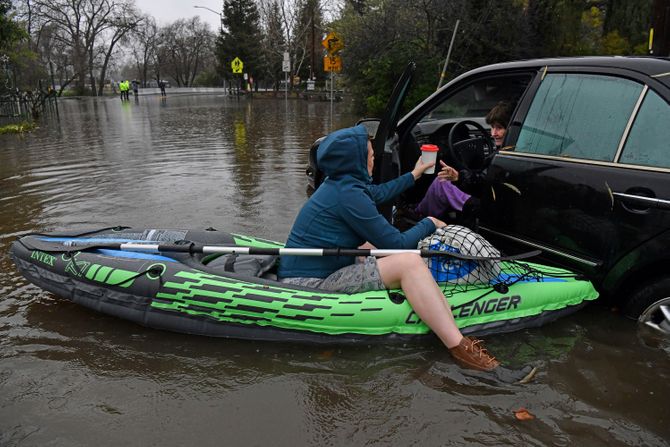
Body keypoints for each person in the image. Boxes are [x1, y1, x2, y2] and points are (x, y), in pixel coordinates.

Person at [278, 124, 500, 372]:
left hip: (321, 266)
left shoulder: (341, 183)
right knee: (409, 262)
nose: (373, 161)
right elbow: (398, 245)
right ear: (357, 161)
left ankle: (432, 302)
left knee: (373, 245)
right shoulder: (348, 195)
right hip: (309, 284)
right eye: (371, 156)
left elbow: (379, 193)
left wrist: (415, 173)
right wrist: (430, 222)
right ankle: (462, 350)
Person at [415, 101, 513, 221]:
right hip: (492, 201)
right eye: (492, 127)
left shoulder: (503, 156)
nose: (493, 133)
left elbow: (481, 183)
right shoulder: (511, 150)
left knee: (441, 182)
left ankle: (420, 217)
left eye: (499, 128)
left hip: (483, 205)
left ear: (511, 128)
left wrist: (459, 177)